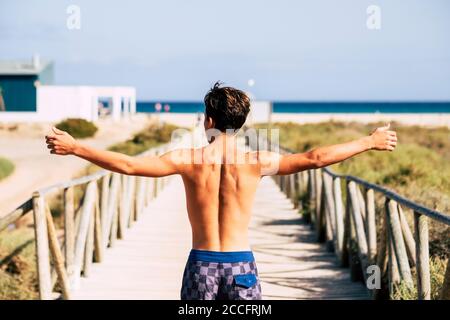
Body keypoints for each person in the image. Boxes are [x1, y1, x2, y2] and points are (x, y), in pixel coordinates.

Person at [45, 81, 397, 300]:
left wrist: (77, 148)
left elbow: (129, 165)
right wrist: (370, 141)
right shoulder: (257, 162)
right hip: (241, 265)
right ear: (241, 123)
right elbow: (316, 157)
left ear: (208, 121)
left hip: (201, 266)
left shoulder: (187, 160)